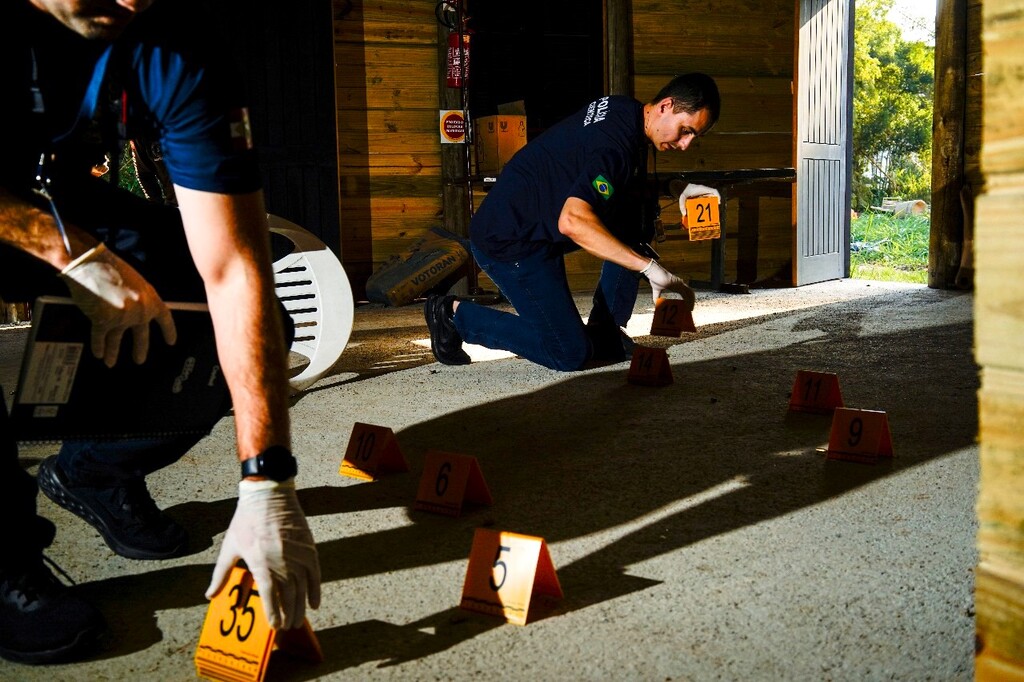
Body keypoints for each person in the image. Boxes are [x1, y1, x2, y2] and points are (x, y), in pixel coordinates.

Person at [0, 0, 319, 665]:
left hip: (57, 194)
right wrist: (72, 257)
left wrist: (268, 483)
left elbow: (234, 269)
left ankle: (90, 472)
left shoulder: (179, 44)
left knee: (228, 324)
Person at [425, 74, 722, 370]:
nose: (685, 144)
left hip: (534, 225)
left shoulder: (625, 111)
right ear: (665, 106)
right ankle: (452, 315)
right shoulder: (615, 147)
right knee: (567, 352)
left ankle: (606, 333)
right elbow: (573, 221)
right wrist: (647, 267)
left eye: (693, 136)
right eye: (685, 130)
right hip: (509, 242)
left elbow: (617, 183)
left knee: (635, 215)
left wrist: (677, 187)